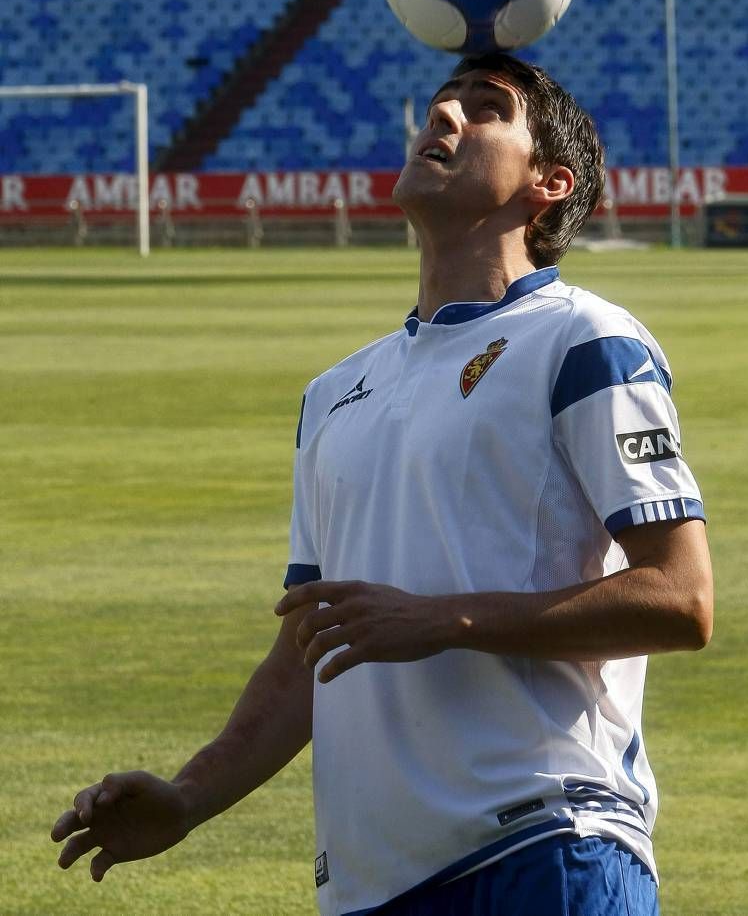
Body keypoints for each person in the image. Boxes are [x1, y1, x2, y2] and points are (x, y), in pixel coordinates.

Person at [52, 52, 713, 916]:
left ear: (547, 184)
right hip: (373, 884)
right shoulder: (333, 395)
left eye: (485, 108)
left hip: (546, 846)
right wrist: (190, 796)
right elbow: (309, 652)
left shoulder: (586, 340)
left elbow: (681, 597)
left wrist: (444, 619)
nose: (443, 117)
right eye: (440, 103)